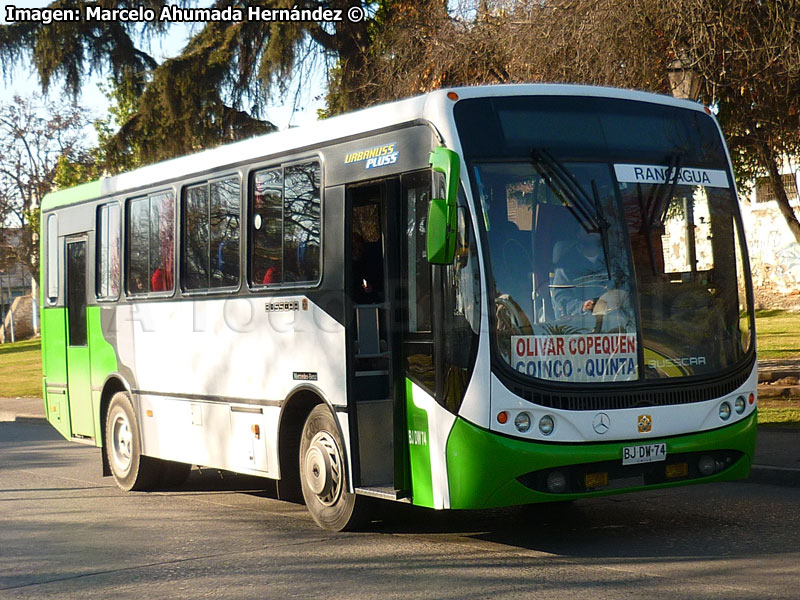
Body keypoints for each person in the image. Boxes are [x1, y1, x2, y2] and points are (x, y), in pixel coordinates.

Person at [551, 232, 609, 317]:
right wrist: (582, 306)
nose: (591, 233)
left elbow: (626, 288)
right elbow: (560, 297)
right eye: (586, 230)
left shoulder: (614, 259)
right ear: (579, 235)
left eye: (594, 230)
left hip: (619, 320)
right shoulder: (566, 265)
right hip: (581, 323)